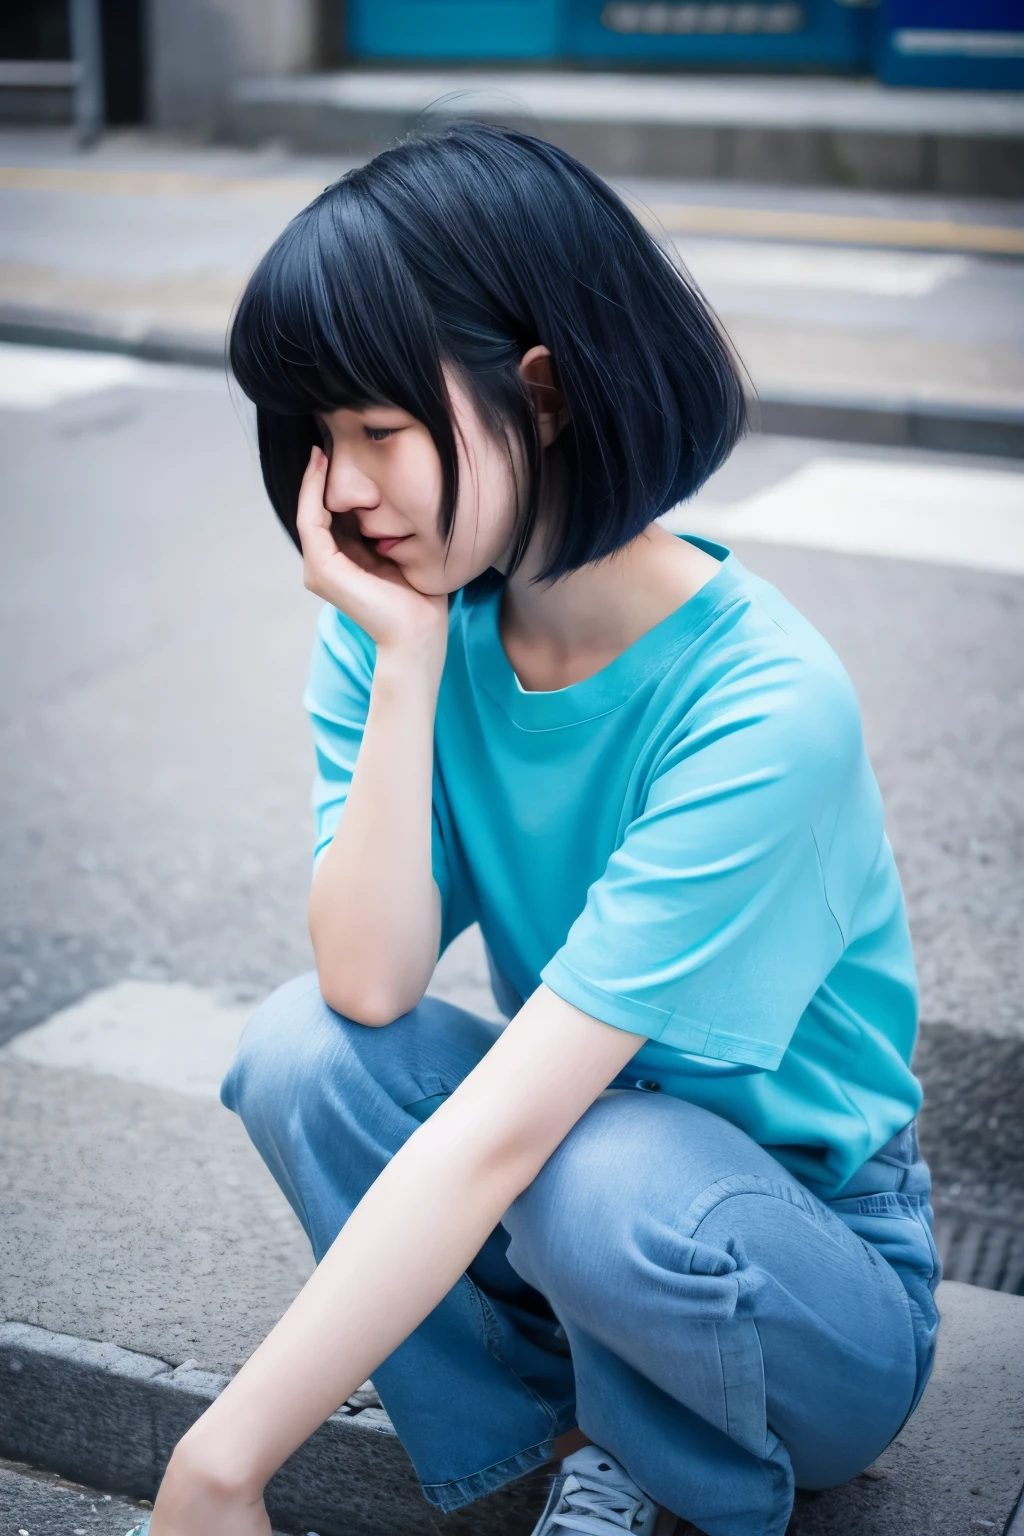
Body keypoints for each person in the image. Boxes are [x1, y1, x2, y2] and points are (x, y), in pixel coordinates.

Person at [131, 121, 940, 1536]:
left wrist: (222, 1462)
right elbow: (370, 987)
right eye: (321, 438)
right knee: (303, 1055)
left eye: (379, 429)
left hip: (799, 1281)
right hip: (583, 1187)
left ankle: (665, 1460)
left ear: (545, 394)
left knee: (601, 1173)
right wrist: (407, 663)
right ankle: (545, 1433)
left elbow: (517, 1139)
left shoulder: (763, 703)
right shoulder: (416, 621)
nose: (346, 492)